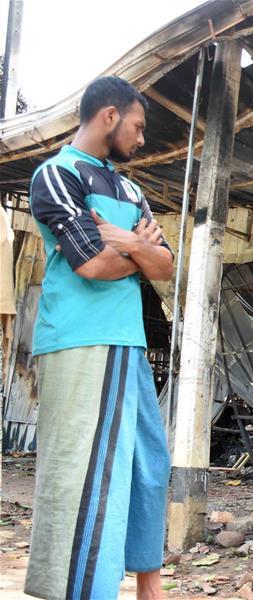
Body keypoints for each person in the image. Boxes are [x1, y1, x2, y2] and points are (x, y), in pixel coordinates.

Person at [25, 76, 174, 600]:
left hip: (126, 340)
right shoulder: (56, 175)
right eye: (136, 126)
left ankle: (149, 586)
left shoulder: (129, 189)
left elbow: (164, 266)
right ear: (109, 116)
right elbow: (92, 264)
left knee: (148, 462)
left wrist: (125, 241)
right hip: (79, 341)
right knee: (85, 474)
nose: (140, 139)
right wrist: (136, 247)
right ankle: (82, 590)